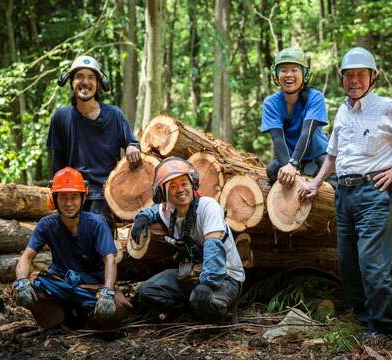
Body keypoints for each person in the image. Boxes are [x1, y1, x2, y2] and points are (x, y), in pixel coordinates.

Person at [299, 47, 392, 340]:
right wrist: (316, 182)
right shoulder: (343, 110)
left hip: (373, 193)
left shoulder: (386, 107)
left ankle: (383, 330)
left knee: (373, 265)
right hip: (342, 194)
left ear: (373, 77)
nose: (354, 80)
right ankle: (362, 323)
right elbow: (332, 155)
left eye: (361, 74)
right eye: (349, 75)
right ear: (342, 79)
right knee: (348, 264)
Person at [13, 167, 132, 329]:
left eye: (74, 197)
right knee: (31, 290)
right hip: (61, 284)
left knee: (119, 308)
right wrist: (21, 282)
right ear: (53, 198)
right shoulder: (46, 225)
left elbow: (109, 259)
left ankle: (88, 323)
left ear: (83, 197)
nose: (69, 203)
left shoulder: (97, 223)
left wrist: (108, 291)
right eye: (63, 197)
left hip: (92, 287)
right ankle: (58, 321)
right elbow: (26, 257)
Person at [131, 157, 245, 322]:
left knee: (202, 301)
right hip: (190, 274)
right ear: (162, 193)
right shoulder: (169, 210)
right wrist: (142, 217)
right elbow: (157, 210)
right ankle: (189, 309)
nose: (180, 190)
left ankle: (215, 311)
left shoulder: (208, 207)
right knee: (147, 291)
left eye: (184, 183)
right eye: (173, 186)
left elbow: (214, 249)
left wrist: (208, 284)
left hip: (225, 276)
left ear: (193, 184)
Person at [48, 55, 141, 220]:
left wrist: (132, 146)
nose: (85, 82)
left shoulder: (115, 115)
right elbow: (57, 164)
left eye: (91, 77)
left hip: (106, 194)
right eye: (79, 77)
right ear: (70, 82)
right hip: (72, 194)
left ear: (99, 84)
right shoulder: (60, 118)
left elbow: (132, 143)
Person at [261, 47, 333, 187]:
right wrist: (288, 167)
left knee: (330, 168)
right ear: (276, 74)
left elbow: (307, 132)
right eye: (283, 70)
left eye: (294, 70)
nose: (289, 74)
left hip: (317, 157)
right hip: (288, 160)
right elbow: (278, 139)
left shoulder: (315, 97)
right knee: (272, 169)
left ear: (305, 74)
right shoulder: (271, 103)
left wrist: (293, 163)